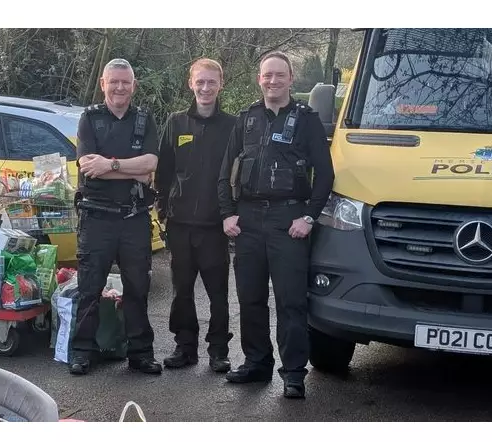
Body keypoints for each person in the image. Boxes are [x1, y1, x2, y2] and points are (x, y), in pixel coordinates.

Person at [217, 51, 335, 398]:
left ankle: (294, 373)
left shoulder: (306, 119)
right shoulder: (248, 119)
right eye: (267, 75)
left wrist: (309, 216)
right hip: (249, 219)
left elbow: (325, 174)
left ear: (290, 78)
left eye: (279, 75)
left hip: (289, 219)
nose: (272, 81)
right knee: (250, 298)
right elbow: (225, 173)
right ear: (259, 79)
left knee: (291, 302)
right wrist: (227, 213)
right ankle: (256, 363)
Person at [70, 58, 162, 376]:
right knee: (89, 289)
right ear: (103, 84)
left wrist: (110, 166)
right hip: (96, 219)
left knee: (138, 288)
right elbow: (87, 166)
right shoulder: (90, 118)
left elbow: (150, 163)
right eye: (114, 81)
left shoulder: (144, 119)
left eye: (126, 82)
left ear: (133, 85)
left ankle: (140, 354)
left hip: (134, 218)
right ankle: (82, 351)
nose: (120, 87)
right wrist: (130, 169)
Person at [154, 58, 237, 373]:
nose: (205, 88)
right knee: (182, 291)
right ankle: (184, 347)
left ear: (220, 84)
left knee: (218, 293)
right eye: (200, 82)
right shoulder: (176, 123)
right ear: (191, 84)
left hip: (216, 226)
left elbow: (236, 174)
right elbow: (163, 171)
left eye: (211, 82)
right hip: (180, 225)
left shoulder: (233, 125)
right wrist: (163, 209)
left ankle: (218, 351)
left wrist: (232, 214)